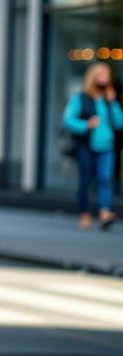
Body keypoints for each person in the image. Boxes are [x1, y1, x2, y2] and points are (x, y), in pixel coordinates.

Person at [63, 61, 123, 230]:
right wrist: (86, 125)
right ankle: (85, 214)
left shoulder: (108, 99)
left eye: (107, 76)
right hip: (86, 145)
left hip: (106, 146)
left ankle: (105, 213)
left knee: (105, 179)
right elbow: (68, 121)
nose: (105, 79)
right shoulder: (80, 97)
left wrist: (114, 103)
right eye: (101, 75)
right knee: (86, 181)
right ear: (93, 77)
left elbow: (119, 124)